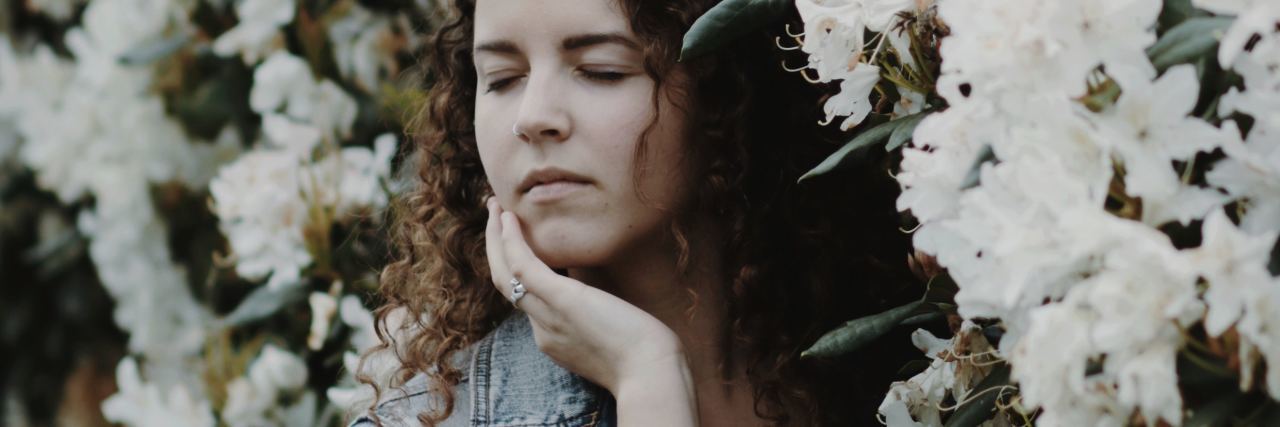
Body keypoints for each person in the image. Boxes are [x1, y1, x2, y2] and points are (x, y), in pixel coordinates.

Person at [350, 0, 916, 425]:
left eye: (601, 70)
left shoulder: (926, 368)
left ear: (726, 98)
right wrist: (647, 375)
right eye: (501, 78)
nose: (533, 116)